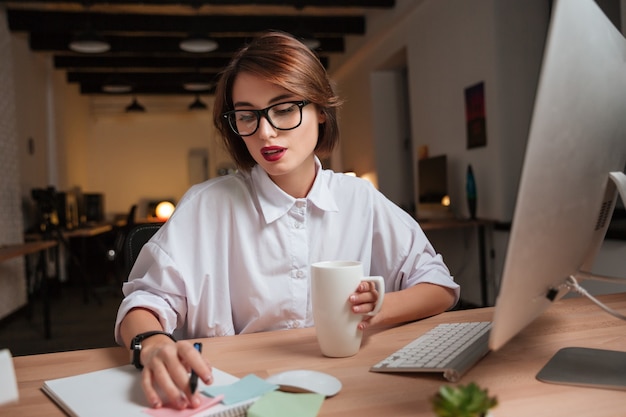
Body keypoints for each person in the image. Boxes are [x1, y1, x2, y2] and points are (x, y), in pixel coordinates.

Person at [115, 30, 460, 410]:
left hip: (348, 388)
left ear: (321, 112)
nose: (264, 132)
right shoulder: (207, 205)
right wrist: (153, 344)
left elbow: (438, 285)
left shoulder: (359, 199)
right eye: (247, 115)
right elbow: (145, 301)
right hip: (230, 395)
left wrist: (378, 309)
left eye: (283, 109)